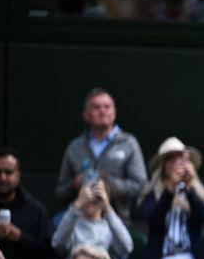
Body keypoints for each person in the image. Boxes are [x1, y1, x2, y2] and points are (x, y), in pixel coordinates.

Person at [55, 87, 147, 224]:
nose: (102, 111)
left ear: (114, 113)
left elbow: (141, 187)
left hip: (116, 218)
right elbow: (60, 192)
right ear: (86, 115)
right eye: (96, 107)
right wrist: (74, 185)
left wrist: (107, 183)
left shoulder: (128, 143)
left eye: (107, 107)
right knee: (54, 226)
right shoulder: (75, 146)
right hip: (79, 217)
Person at [52, 177, 132, 259]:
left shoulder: (112, 226)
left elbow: (127, 247)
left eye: (97, 192)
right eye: (87, 191)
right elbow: (58, 244)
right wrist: (76, 206)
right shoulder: (70, 223)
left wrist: (107, 209)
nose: (91, 198)